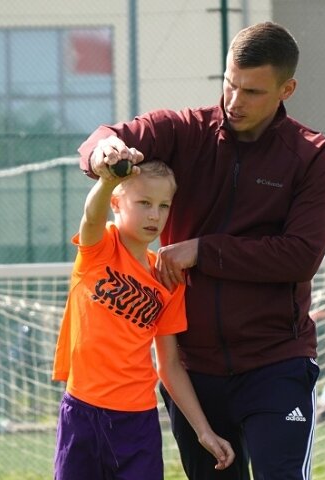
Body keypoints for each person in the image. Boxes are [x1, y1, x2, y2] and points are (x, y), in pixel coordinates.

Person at [78, 21, 325, 479]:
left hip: (276, 362)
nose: (234, 102)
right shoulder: (185, 132)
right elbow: (105, 136)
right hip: (194, 373)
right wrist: (104, 152)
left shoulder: (313, 156)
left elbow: (300, 255)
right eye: (229, 84)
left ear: (287, 88)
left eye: (252, 91)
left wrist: (203, 250)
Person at [51, 159, 235, 479]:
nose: (155, 215)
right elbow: (91, 216)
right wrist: (108, 179)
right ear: (116, 204)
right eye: (144, 203)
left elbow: (170, 364)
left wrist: (203, 431)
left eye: (164, 206)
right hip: (82, 412)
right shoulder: (100, 248)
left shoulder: (167, 278)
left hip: (137, 422)